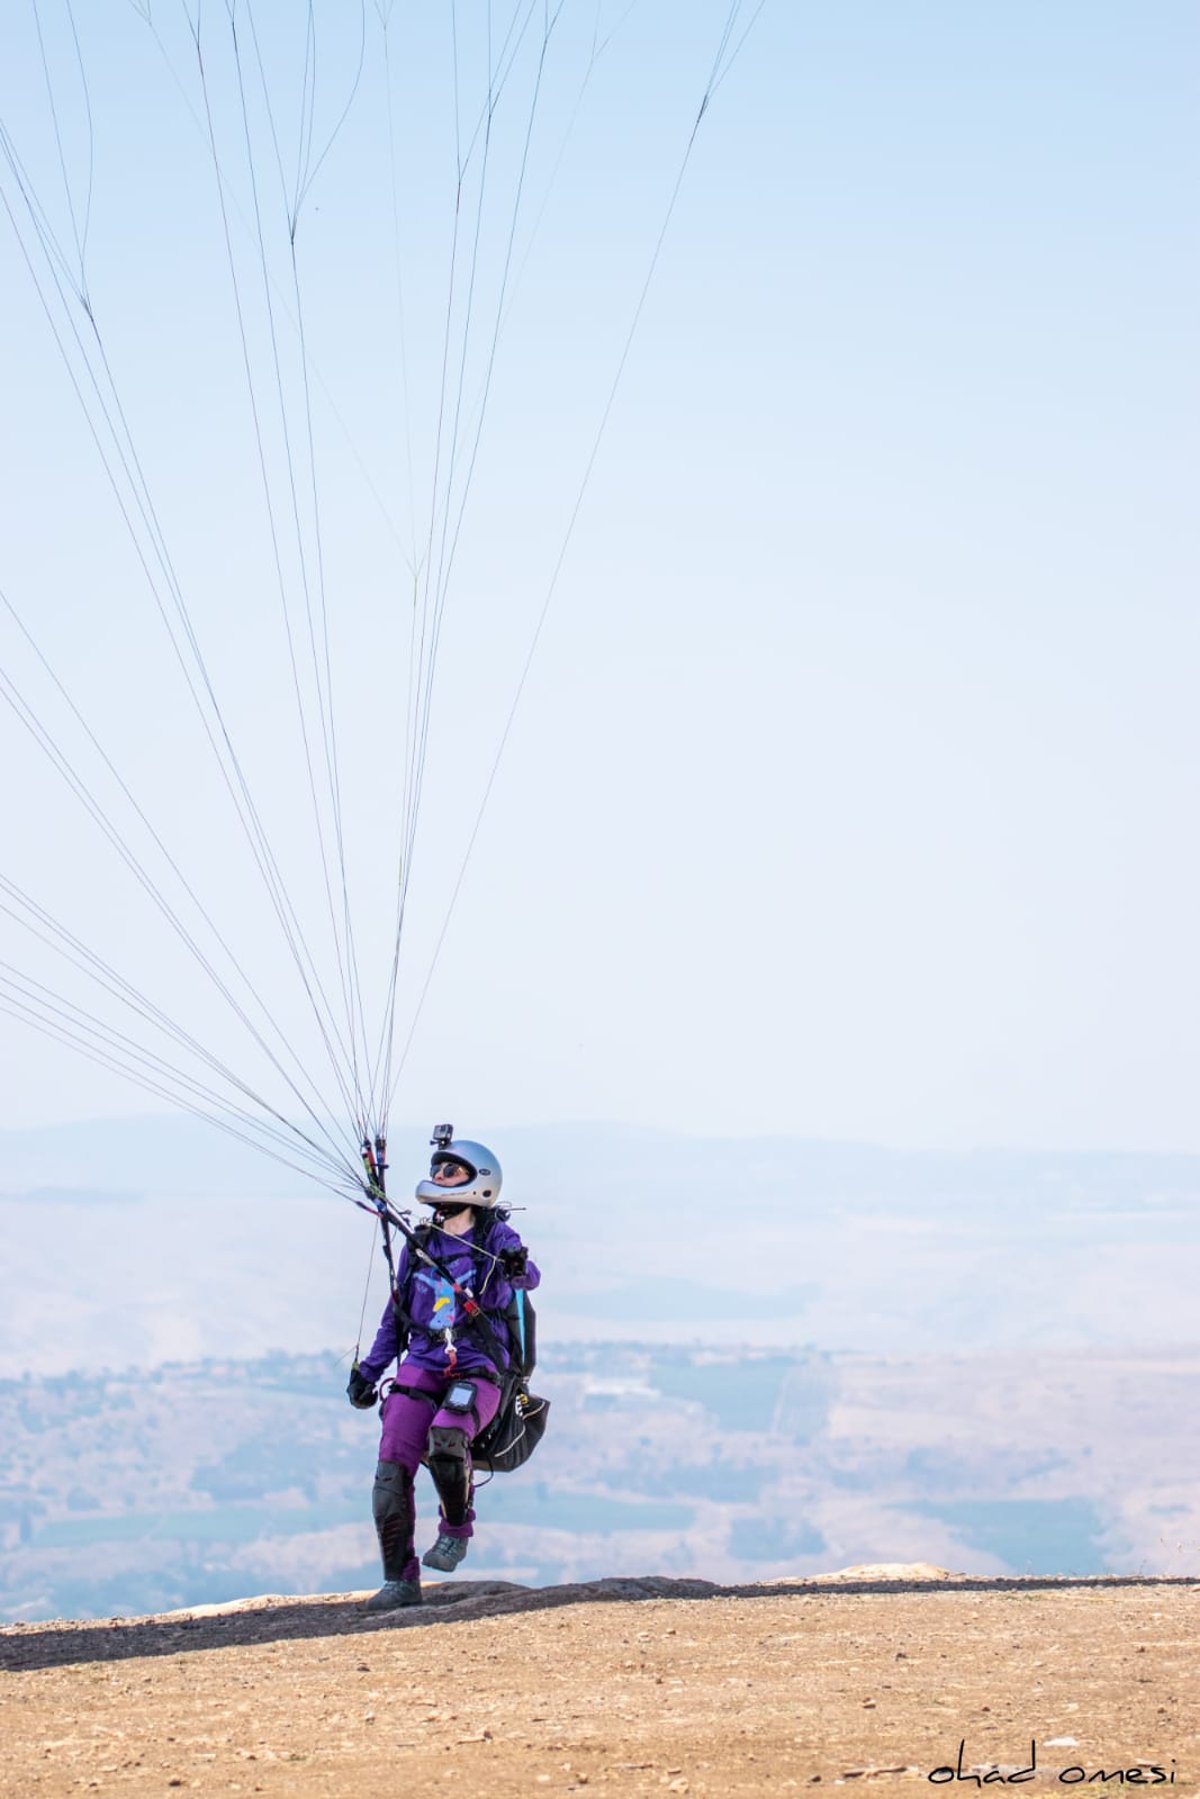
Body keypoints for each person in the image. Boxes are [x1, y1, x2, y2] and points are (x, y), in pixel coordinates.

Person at [347, 1131, 540, 1612]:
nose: (439, 1178)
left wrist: (518, 1266)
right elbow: (397, 1316)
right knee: (391, 1467)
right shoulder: (422, 1243)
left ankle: (456, 1530)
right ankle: (399, 1580)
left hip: (478, 1366)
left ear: (479, 1183)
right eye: (437, 1170)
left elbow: (526, 1276)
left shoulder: (495, 1237)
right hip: (423, 1361)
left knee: (448, 1441)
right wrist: (369, 1371)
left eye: (450, 1171)